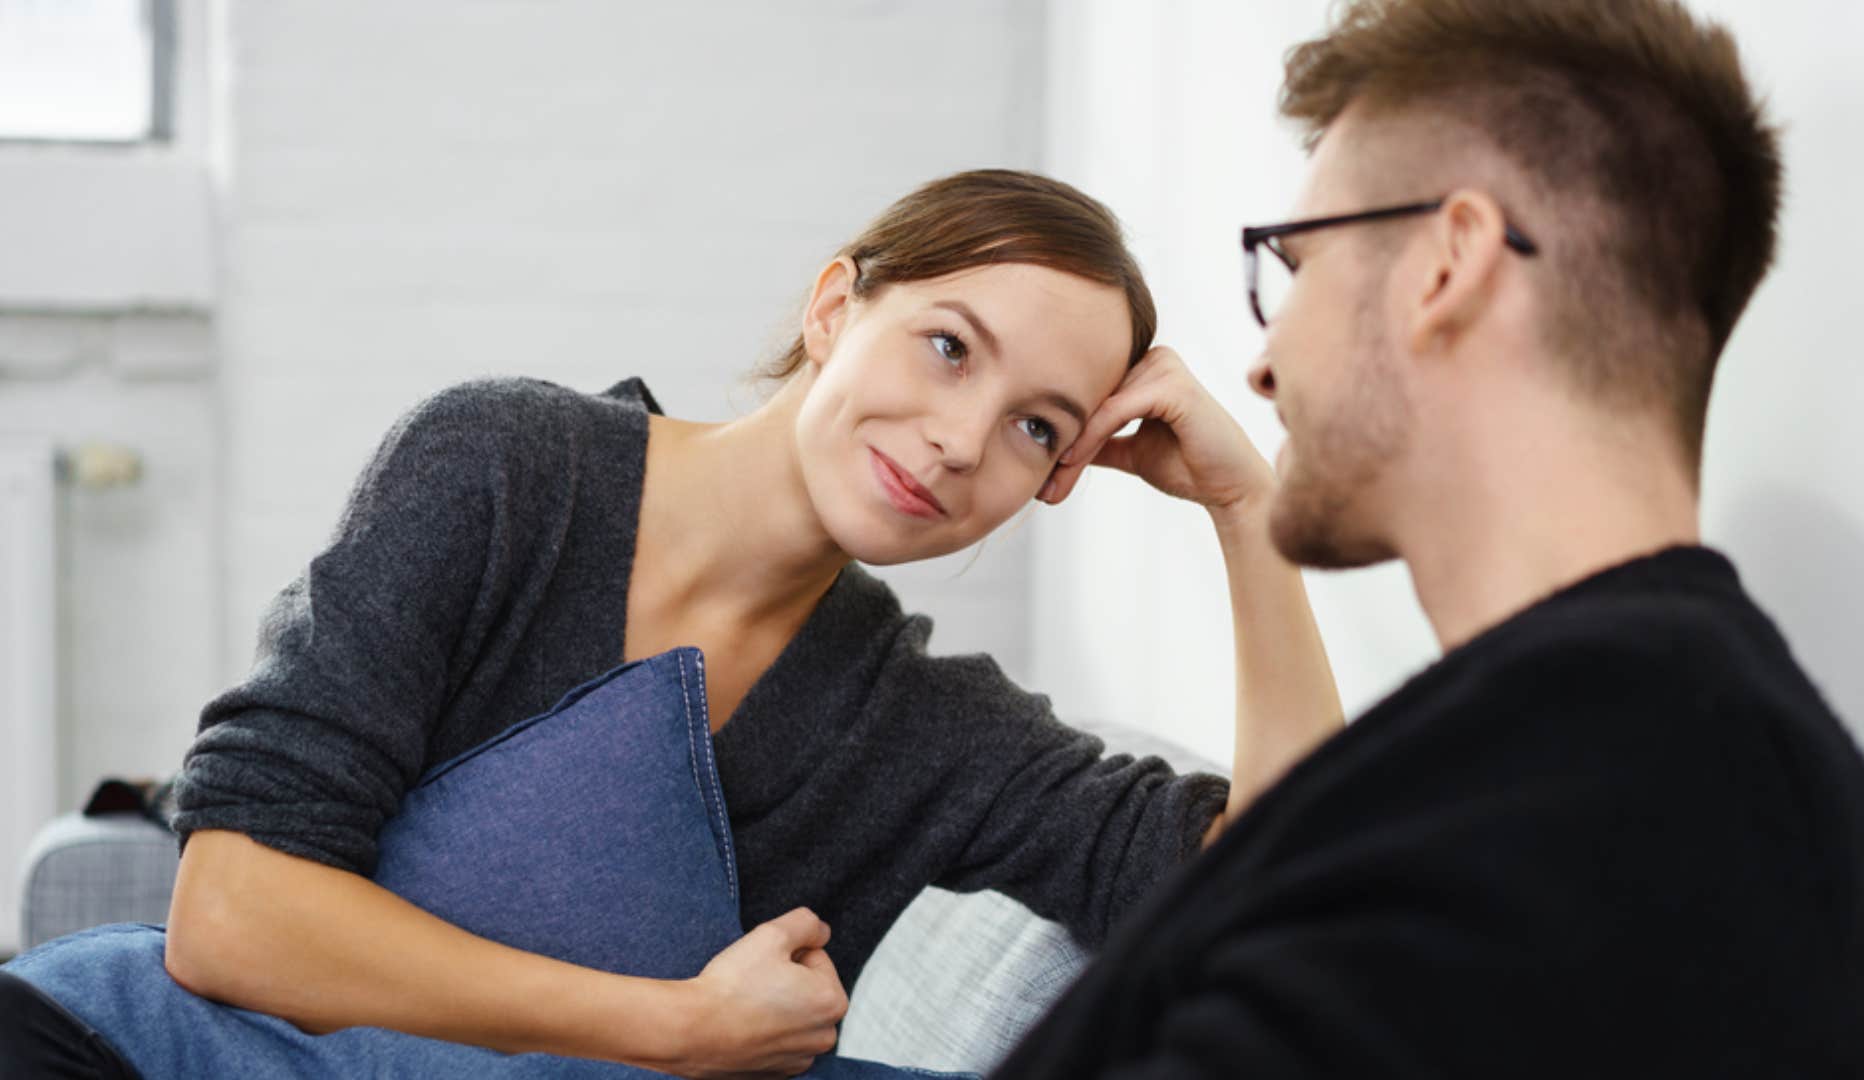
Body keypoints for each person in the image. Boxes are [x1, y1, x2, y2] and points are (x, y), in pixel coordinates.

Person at [0, 170, 1343, 1078]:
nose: (956, 441)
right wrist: (675, 1027)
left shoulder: (925, 730)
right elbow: (229, 914)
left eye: (1034, 428)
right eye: (948, 345)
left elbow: (1286, 896)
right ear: (835, 306)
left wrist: (1249, 506)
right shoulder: (506, 467)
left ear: (1052, 480)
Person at [994, 0, 1864, 1075]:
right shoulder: (1611, 746)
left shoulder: (1610, 794)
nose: (1261, 364)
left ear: (1449, 263)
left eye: (1291, 267)